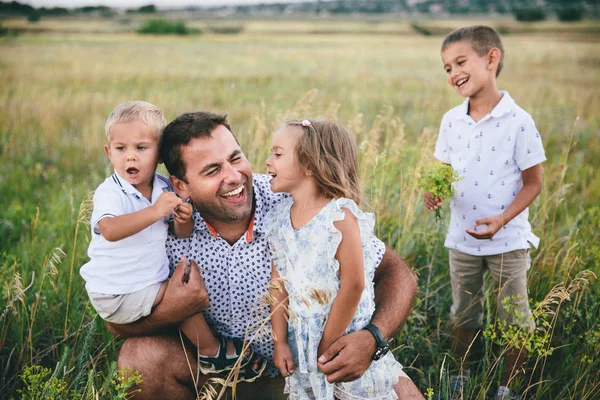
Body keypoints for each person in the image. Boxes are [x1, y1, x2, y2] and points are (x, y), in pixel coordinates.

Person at [109, 111, 424, 399]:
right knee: (140, 357)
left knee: (403, 394)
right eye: (212, 170)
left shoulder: (294, 199)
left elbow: (395, 272)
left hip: (316, 369)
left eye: (236, 158)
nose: (233, 176)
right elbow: (116, 321)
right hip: (220, 378)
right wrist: (173, 309)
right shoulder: (159, 228)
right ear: (181, 185)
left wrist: (373, 338)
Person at [80, 102, 258, 383]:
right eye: (120, 149)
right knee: (182, 296)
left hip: (141, 283)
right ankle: (212, 352)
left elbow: (181, 233)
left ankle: (213, 353)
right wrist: (155, 212)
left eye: (141, 148)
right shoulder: (112, 192)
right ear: (108, 152)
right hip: (116, 288)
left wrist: (183, 217)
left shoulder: (163, 187)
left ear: (158, 155)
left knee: (180, 295)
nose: (131, 159)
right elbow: (110, 229)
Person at [424, 26, 545, 400]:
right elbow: (444, 169)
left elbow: (533, 183)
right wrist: (435, 191)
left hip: (508, 240)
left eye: (460, 62)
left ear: (491, 59)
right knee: (464, 313)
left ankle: (510, 386)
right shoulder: (451, 120)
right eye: (446, 67)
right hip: (461, 239)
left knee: (513, 317)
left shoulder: (518, 121)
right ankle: (460, 377)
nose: (452, 73)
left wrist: (502, 220)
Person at [266, 119, 407, 399]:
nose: (268, 161)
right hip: (303, 349)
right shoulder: (280, 220)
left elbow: (353, 284)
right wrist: (279, 341)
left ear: (309, 165)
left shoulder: (339, 219)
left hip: (341, 345)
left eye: (278, 154)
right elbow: (277, 283)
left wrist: (328, 345)